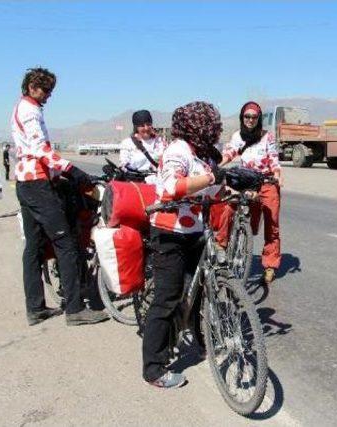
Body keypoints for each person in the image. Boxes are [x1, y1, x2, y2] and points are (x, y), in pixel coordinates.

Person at [11, 67, 109, 327]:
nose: (48, 96)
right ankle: (75, 310)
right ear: (32, 87)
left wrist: (60, 173)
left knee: (33, 248)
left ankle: (35, 308)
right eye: (46, 90)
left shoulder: (23, 107)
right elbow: (39, 149)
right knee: (65, 243)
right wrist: (71, 169)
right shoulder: (29, 110)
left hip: (26, 183)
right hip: (37, 185)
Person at [143, 101, 226, 388]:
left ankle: (201, 339)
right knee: (167, 299)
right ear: (197, 126)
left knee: (199, 291)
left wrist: (237, 186)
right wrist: (212, 177)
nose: (215, 129)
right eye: (211, 124)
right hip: (170, 234)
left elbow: (212, 188)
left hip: (195, 231)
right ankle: (154, 368)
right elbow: (169, 188)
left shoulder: (199, 153)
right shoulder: (177, 150)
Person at [216, 101, 283, 285]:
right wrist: (214, 167)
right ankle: (220, 246)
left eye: (254, 117)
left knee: (272, 224)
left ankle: (269, 265)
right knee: (229, 207)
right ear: (242, 118)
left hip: (266, 182)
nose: (250, 120)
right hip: (246, 181)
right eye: (247, 116)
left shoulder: (267, 137)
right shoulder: (238, 136)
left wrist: (277, 175)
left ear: (259, 118)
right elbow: (229, 153)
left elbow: (274, 160)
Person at [118, 110, 165, 178]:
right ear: (136, 127)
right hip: (137, 182)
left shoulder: (160, 141)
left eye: (148, 124)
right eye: (142, 125)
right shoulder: (127, 143)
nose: (146, 128)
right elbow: (123, 164)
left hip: (157, 182)